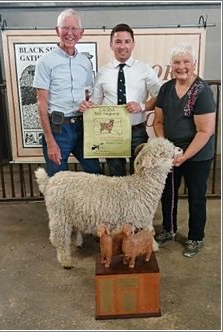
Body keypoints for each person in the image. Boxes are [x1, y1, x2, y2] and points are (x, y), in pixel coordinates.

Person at [153, 42, 216, 258]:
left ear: (194, 63)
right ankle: (168, 230)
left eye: (186, 61)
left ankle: (195, 237)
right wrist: (166, 147)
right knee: (168, 193)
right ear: (171, 66)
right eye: (177, 62)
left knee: (196, 196)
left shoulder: (202, 91)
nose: (182, 66)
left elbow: (205, 131)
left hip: (197, 154)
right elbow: (158, 122)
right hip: (171, 152)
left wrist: (184, 156)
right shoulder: (166, 88)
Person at [79, 23, 161, 176]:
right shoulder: (103, 72)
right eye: (118, 42)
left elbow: (160, 95)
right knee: (116, 177)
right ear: (111, 45)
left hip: (137, 131)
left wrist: (142, 106)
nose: (122, 46)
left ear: (133, 44)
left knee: (141, 176)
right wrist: (86, 106)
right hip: (111, 133)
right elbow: (95, 104)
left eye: (127, 41)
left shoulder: (144, 69)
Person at [33, 9, 102, 177]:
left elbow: (87, 94)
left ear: (81, 33)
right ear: (57, 31)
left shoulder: (85, 62)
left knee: (96, 174)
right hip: (58, 129)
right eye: (65, 28)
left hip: (82, 126)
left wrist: (88, 102)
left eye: (74, 29)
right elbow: (41, 104)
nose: (69, 33)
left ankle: (92, 204)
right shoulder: (45, 62)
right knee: (58, 180)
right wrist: (50, 141)